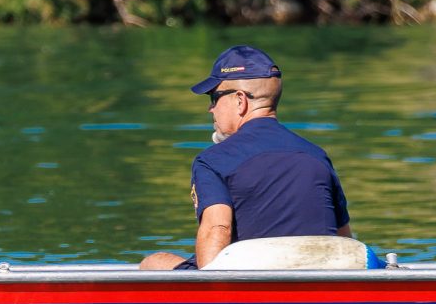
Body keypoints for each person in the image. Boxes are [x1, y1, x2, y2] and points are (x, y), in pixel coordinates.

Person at [139, 46, 351, 271]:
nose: (211, 109)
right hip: (320, 285)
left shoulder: (212, 161)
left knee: (154, 263)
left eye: (214, 97)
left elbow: (217, 229)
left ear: (240, 100)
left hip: (246, 290)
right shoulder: (317, 156)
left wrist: (214, 294)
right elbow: (345, 242)